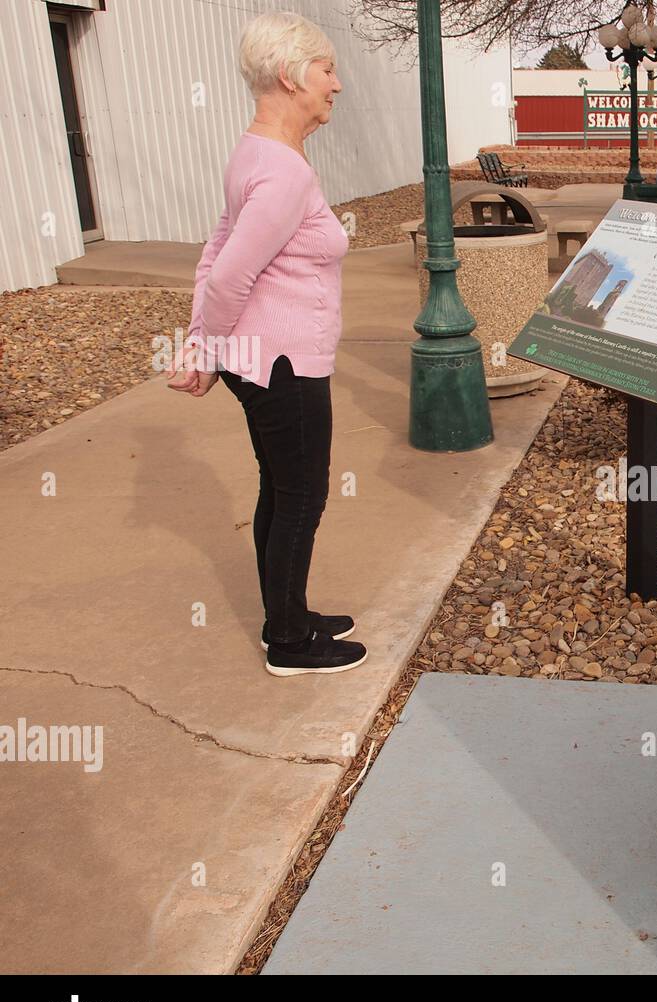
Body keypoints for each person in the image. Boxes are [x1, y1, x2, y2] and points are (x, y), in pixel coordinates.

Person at [166, 11, 366, 677]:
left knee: (279, 491)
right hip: (283, 361)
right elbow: (228, 272)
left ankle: (288, 614)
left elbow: (215, 251)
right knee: (302, 495)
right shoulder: (282, 173)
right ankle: (288, 642)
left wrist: (204, 344)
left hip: (260, 359)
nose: (336, 84)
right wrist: (204, 350)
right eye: (327, 70)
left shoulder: (255, 153)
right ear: (289, 75)